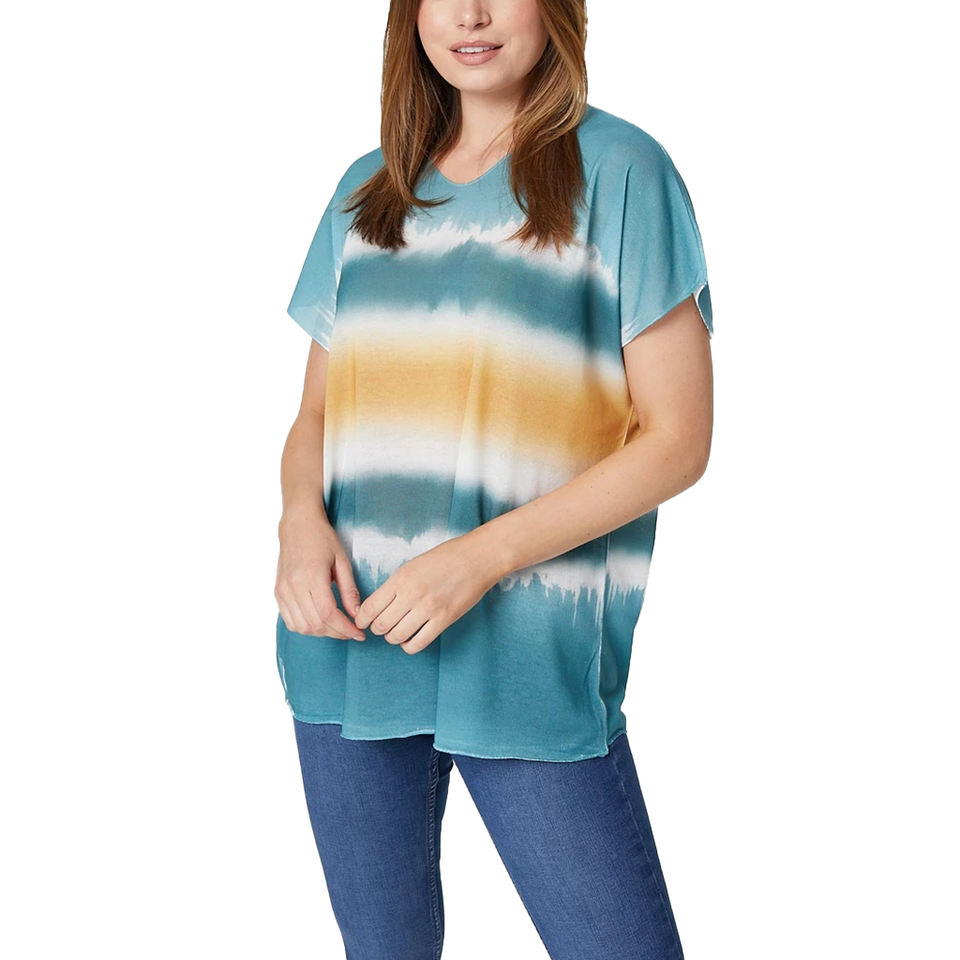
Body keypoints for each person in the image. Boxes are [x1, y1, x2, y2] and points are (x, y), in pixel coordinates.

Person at [274, 1, 714, 957]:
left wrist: (476, 561)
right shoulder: (367, 190)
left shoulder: (624, 171)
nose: (470, 14)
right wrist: (297, 525)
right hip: (348, 639)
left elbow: (678, 439)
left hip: (523, 648)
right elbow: (316, 417)